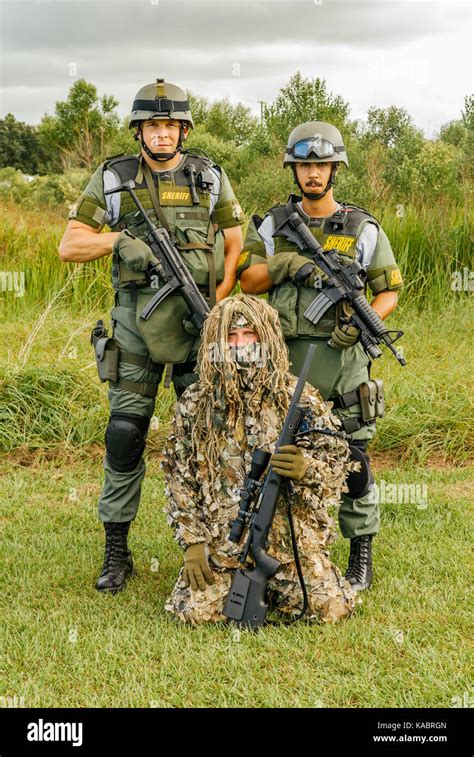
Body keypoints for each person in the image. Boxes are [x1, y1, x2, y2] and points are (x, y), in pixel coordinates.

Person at [58, 77, 244, 593]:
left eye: (170, 125)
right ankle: (117, 551)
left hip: (196, 323)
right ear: (139, 130)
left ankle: (215, 543)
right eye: (152, 125)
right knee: (125, 434)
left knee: (205, 434)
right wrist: (119, 240)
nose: (162, 134)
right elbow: (70, 245)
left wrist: (218, 303)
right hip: (135, 327)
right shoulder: (114, 177)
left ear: (183, 130)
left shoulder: (208, 176)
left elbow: (235, 242)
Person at [238, 122, 404, 591]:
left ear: (335, 169)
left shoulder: (361, 227)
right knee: (282, 459)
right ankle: (288, 548)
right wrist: (288, 264)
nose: (314, 174)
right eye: (305, 165)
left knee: (354, 462)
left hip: (343, 363)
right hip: (286, 365)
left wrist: (361, 320)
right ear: (294, 170)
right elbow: (247, 282)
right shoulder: (273, 225)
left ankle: (360, 555)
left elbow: (388, 289)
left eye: (322, 165)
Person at [161, 294, 356, 625]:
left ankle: (279, 587)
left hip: (290, 544)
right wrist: (193, 543)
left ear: (266, 338)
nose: (241, 345)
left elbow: (339, 463)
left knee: (332, 608)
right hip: (224, 547)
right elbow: (179, 477)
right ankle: (255, 590)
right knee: (194, 613)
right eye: (231, 337)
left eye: (250, 335)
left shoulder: (300, 397)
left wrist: (306, 468)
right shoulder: (195, 404)